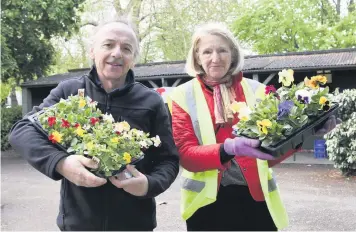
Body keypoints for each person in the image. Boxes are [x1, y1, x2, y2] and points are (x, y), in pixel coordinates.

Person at [9, 18, 180, 231]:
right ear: (92, 51)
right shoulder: (69, 91)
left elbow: (169, 160)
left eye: (126, 48)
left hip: (135, 224)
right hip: (78, 223)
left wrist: (148, 185)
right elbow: (22, 130)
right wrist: (61, 163)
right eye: (108, 45)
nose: (117, 53)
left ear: (133, 60)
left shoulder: (151, 101)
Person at [168, 22, 339, 231]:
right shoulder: (182, 95)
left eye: (222, 50)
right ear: (197, 57)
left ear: (232, 54)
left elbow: (270, 154)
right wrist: (227, 149)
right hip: (206, 205)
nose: (215, 58)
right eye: (207, 51)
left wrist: (303, 136)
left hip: (255, 199)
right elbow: (186, 156)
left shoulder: (258, 91)